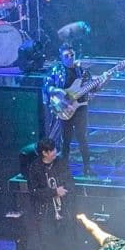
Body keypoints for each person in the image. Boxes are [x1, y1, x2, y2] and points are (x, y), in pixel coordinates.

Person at [42, 43, 94, 177]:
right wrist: (57, 90)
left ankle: (87, 168)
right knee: (66, 140)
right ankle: (63, 169)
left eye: (72, 55)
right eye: (67, 56)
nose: (70, 58)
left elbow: (93, 87)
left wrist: (104, 80)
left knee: (82, 138)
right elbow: (46, 87)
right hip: (64, 108)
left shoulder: (81, 71)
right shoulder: (56, 70)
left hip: (80, 107)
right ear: (61, 57)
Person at [20, 137, 75, 250]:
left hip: (63, 208)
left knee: (65, 238)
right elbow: (34, 191)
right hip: (45, 211)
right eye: (52, 150)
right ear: (44, 153)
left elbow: (70, 182)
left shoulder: (61, 163)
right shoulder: (35, 167)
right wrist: (54, 192)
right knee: (47, 240)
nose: (56, 152)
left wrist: (64, 190)